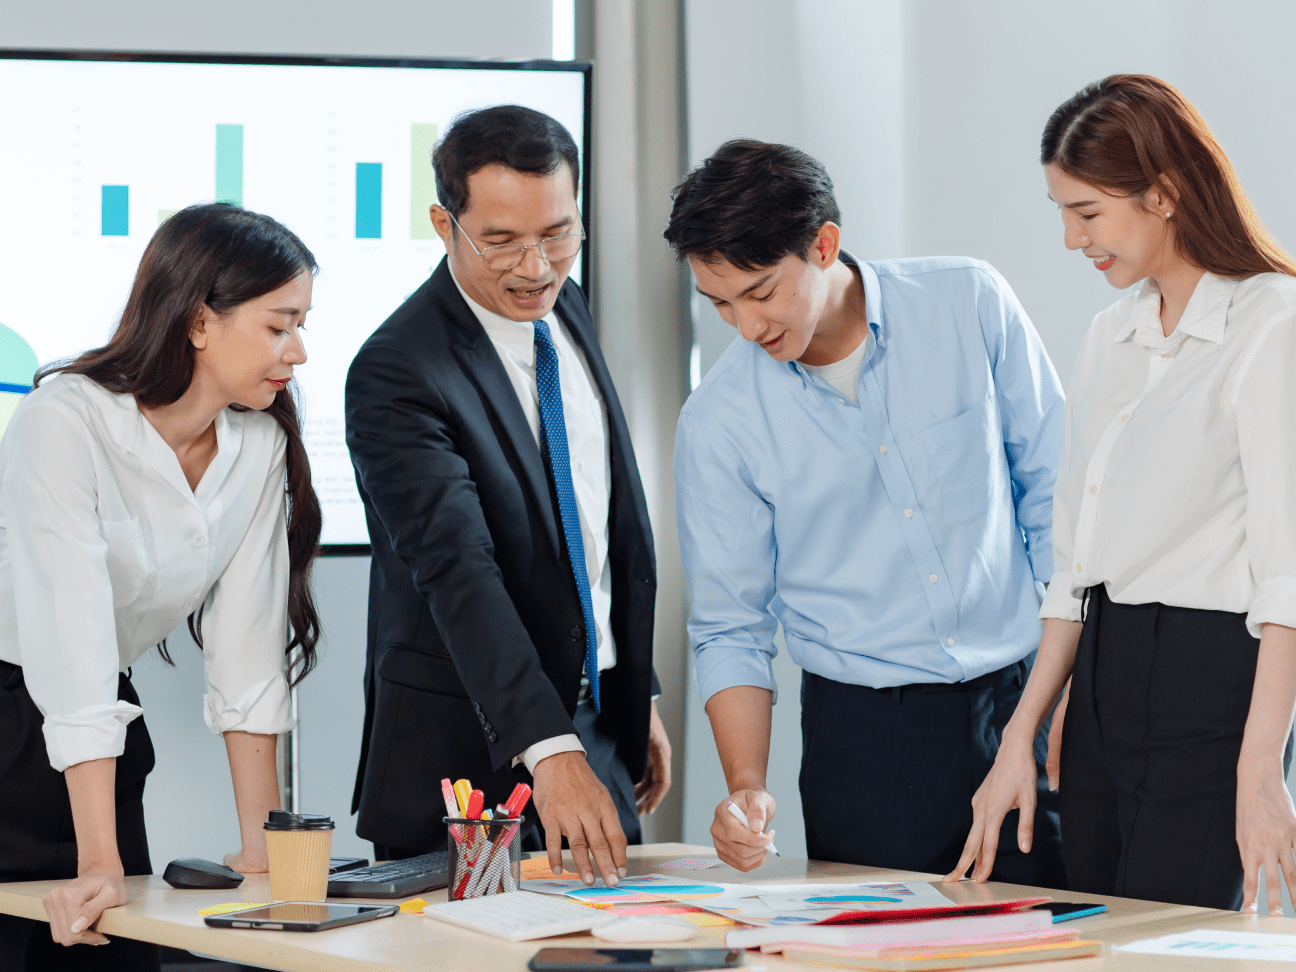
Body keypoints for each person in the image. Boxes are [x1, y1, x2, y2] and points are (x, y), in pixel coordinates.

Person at [665, 140, 1067, 886]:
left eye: (759, 292)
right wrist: (747, 783)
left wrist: (1067, 687)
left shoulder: (968, 303)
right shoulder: (718, 422)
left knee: (1062, 944)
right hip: (868, 744)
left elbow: (1055, 501)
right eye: (720, 303)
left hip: (1026, 702)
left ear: (824, 244)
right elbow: (730, 626)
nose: (746, 327)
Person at [946, 74, 1296, 914]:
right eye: (1061, 212)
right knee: (1104, 933)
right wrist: (1019, 739)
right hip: (1101, 684)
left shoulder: (1273, 325)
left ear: (1165, 194)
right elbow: (1073, 568)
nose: (1070, 238)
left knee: (1182, 941)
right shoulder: (1111, 333)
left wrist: (1260, 769)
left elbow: (1290, 576)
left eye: (1088, 212)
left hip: (1215, 685)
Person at [345, 105, 670, 887]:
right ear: (443, 223)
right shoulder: (398, 370)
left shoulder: (570, 303)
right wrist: (549, 748)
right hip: (469, 760)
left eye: (558, 233)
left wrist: (629, 687)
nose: (535, 268)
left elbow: (596, 515)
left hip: (596, 729)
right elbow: (460, 572)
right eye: (499, 241)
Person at [0, 202, 322, 969]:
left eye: (303, 324)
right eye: (279, 325)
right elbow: (69, 648)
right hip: (21, 721)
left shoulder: (258, 442)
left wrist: (262, 848)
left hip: (102, 737)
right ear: (200, 321)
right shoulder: (65, 420)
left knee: (108, 951)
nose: (299, 351)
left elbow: (248, 660)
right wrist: (99, 864)